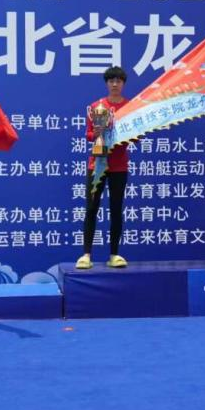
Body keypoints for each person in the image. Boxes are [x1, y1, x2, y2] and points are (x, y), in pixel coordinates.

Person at [75, 66, 130, 270]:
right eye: (111, 81)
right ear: (107, 84)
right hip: (97, 163)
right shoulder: (96, 106)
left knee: (116, 209)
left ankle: (114, 254)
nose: (115, 84)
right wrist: (97, 132)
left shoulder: (130, 107)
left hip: (119, 165)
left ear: (123, 84)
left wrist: (126, 134)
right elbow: (89, 135)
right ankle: (86, 255)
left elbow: (136, 135)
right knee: (91, 208)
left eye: (118, 81)